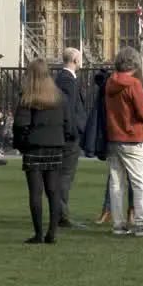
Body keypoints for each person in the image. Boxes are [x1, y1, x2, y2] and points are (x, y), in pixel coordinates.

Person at [102, 47, 143, 237]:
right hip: (132, 138)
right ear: (135, 64)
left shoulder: (110, 82)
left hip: (114, 137)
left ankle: (118, 224)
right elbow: (142, 112)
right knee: (139, 182)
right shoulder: (134, 84)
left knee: (116, 183)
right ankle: (141, 223)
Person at [12, 58, 69, 244]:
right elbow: (68, 124)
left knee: (35, 192)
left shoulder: (27, 96)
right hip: (54, 145)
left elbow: (21, 125)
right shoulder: (59, 96)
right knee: (53, 191)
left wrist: (22, 144)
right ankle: (52, 232)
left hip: (34, 146)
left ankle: (38, 233)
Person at [53, 48, 87, 229]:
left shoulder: (65, 79)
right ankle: (61, 215)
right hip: (69, 138)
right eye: (80, 58)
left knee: (64, 176)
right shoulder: (67, 81)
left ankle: (61, 214)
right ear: (74, 59)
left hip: (68, 135)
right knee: (64, 177)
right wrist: (74, 132)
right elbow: (69, 111)